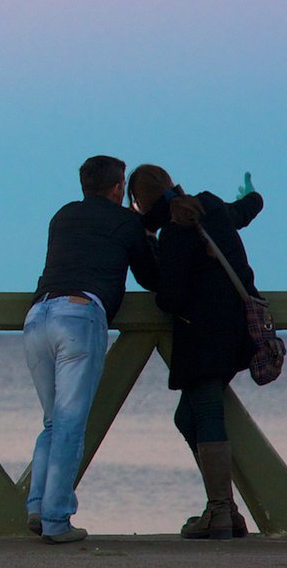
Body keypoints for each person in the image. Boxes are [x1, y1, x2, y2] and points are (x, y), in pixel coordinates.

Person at [24, 154, 156, 543]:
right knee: (70, 424)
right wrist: (146, 232)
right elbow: (152, 277)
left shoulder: (62, 216)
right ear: (118, 188)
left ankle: (37, 505)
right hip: (79, 316)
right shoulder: (127, 221)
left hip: (37, 315)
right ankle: (56, 520)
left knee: (52, 422)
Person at [129, 164, 265, 540]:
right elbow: (243, 212)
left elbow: (170, 298)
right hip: (237, 329)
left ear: (140, 202)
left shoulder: (174, 231)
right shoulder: (211, 205)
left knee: (205, 414)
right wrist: (253, 196)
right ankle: (226, 511)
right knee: (186, 419)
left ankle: (220, 512)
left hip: (203, 338)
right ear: (172, 184)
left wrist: (146, 241)